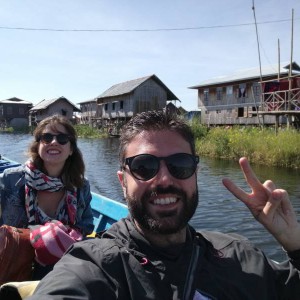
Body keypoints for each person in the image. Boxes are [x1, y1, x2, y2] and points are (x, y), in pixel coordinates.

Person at [28, 110, 300, 299]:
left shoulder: (239, 254)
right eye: (144, 167)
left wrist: (295, 246)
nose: (165, 179)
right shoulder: (97, 266)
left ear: (195, 173)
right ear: (123, 181)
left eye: (180, 165)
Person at [0, 114, 94, 279]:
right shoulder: (10, 179)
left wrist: (61, 238)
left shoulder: (81, 186)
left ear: (71, 149)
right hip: (15, 266)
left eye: (63, 138)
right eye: (47, 137)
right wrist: (39, 237)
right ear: (38, 146)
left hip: (61, 268)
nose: (54, 142)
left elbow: (86, 226)